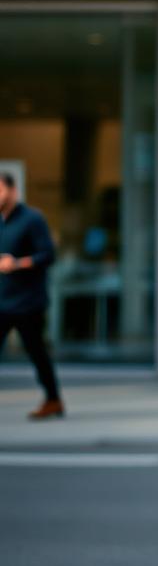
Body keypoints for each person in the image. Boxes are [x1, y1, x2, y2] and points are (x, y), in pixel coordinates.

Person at [0, 172, 64, 420]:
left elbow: (47, 256)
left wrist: (17, 264)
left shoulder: (32, 219)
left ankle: (53, 399)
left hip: (28, 302)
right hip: (3, 300)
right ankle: (53, 398)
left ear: (13, 191)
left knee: (36, 351)